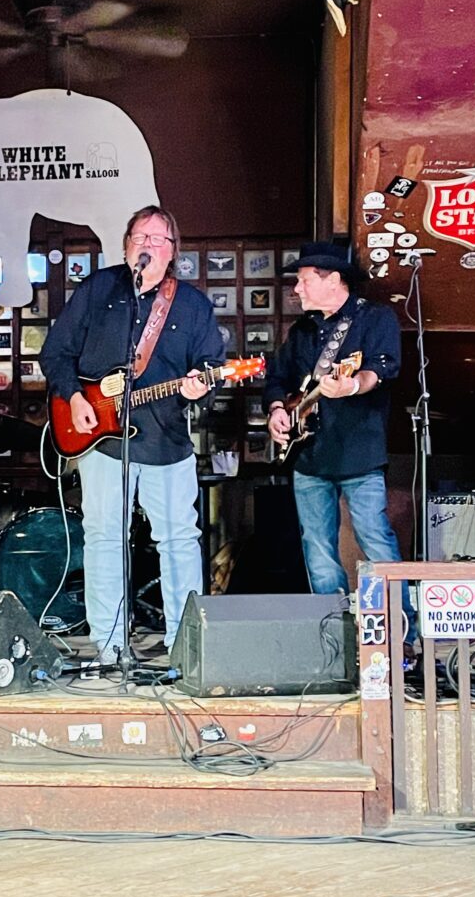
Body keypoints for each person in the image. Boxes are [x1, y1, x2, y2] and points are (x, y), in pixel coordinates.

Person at [40, 206, 225, 663]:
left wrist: (200, 386)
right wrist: (75, 398)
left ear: (173, 252)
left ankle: (185, 643)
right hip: (103, 440)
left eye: (159, 239)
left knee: (179, 540)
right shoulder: (98, 289)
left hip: (166, 440)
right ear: (126, 246)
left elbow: (211, 367)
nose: (148, 245)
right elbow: (55, 353)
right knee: (104, 536)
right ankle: (110, 645)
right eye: (140, 237)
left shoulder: (192, 305)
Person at [264, 241, 417, 644]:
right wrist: (277, 409)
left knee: (375, 539)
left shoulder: (374, 319)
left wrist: (351, 385)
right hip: (308, 456)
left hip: (359, 454)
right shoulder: (302, 331)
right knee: (317, 549)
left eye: (304, 280)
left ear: (333, 280)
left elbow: (381, 369)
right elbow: (277, 378)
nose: (297, 289)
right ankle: (334, 638)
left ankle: (402, 634)